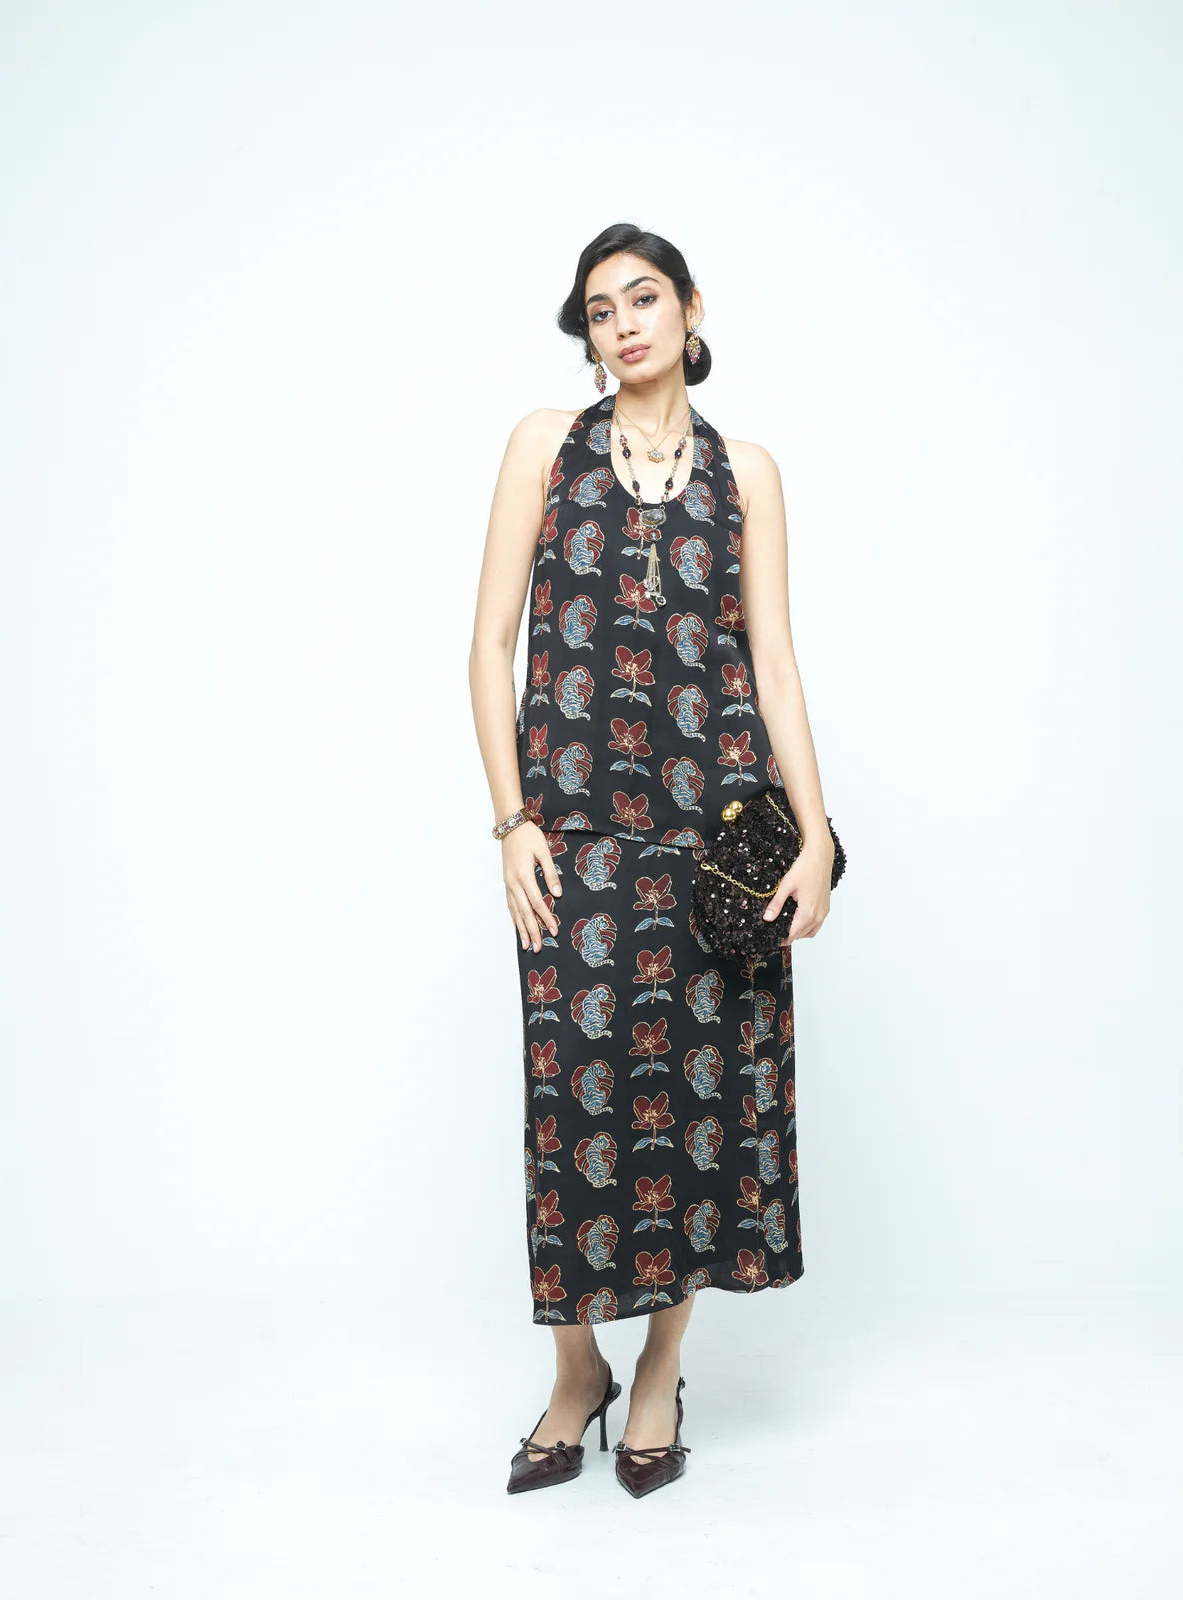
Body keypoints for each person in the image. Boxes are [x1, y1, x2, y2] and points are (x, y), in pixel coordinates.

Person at [468, 223, 836, 1499]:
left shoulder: (750, 473)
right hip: (573, 846)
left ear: (690, 308)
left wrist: (818, 837)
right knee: (570, 1111)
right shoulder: (544, 447)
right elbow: (490, 643)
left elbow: (773, 661)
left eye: (643, 298)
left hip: (710, 852)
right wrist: (512, 822)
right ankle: (577, 1371)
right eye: (599, 309)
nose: (622, 323)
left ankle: (663, 1369)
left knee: (694, 1115)